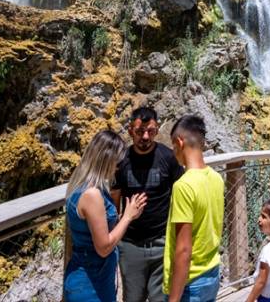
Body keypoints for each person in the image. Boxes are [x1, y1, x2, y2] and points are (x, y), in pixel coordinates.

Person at [64, 130, 149, 302]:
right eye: (117, 163)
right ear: (106, 160)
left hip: (93, 277)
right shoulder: (92, 195)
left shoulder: (81, 186)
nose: (118, 168)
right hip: (90, 284)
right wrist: (128, 216)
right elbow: (103, 248)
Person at [110, 107, 184, 302]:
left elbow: (181, 197)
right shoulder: (121, 160)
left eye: (150, 131)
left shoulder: (168, 157)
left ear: (157, 130)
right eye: (139, 131)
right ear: (129, 130)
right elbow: (113, 203)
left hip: (162, 242)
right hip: (130, 245)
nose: (145, 136)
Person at [164, 114, 224, 302]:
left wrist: (173, 299)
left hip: (190, 283)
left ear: (179, 142)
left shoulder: (183, 186)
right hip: (212, 274)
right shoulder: (216, 178)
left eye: (173, 147)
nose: (173, 153)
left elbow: (183, 249)